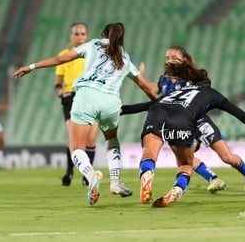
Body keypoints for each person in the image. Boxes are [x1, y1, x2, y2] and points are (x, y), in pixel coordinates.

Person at [13, 22, 157, 205]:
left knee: (76, 148)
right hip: (111, 102)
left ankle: (90, 176)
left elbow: (60, 60)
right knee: (111, 138)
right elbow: (147, 88)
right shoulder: (125, 58)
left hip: (86, 97)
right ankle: (115, 182)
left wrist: (30, 67)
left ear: (104, 34)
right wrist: (157, 99)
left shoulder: (93, 44)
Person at [137, 60, 245, 208]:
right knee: (187, 161)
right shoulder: (210, 93)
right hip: (186, 122)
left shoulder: (178, 91)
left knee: (227, 158)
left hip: (190, 121)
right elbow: (237, 112)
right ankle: (190, 185)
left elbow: (152, 105)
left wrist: (123, 110)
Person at [55, 22, 99, 187]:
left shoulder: (94, 54)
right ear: (71, 36)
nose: (80, 37)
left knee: (91, 138)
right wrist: (58, 89)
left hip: (90, 96)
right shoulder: (64, 55)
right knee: (74, 137)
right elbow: (58, 80)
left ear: (87, 36)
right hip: (71, 97)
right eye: (77, 34)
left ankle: (87, 174)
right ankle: (69, 171)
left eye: (83, 34)